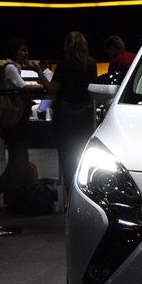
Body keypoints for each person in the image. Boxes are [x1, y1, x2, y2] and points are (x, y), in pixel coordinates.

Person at [0, 37, 51, 202]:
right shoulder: (11, 68)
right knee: (18, 161)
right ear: (14, 52)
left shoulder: (15, 67)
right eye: (22, 50)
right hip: (14, 120)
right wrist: (42, 82)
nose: (26, 53)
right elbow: (24, 87)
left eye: (26, 50)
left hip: (17, 119)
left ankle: (7, 195)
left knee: (19, 160)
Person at [48, 31, 98, 196]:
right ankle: (86, 194)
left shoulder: (64, 64)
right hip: (86, 115)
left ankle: (71, 195)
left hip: (65, 116)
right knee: (84, 155)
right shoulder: (91, 64)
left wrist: (40, 73)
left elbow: (52, 89)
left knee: (67, 158)